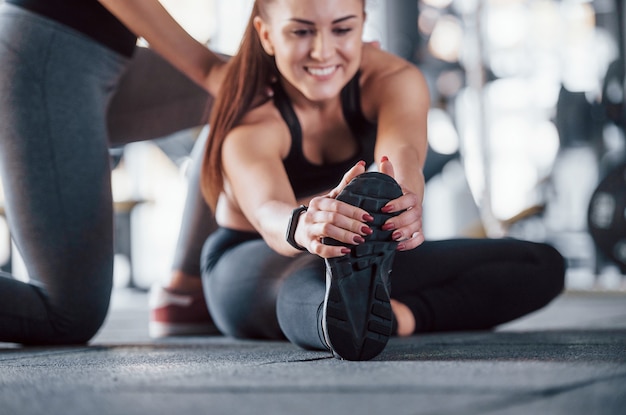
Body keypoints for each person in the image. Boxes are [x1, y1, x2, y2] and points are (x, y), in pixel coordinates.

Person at [199, 0, 566, 361]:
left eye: (342, 29)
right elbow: (268, 211)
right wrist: (304, 224)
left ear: (362, 23)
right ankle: (336, 322)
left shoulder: (393, 79)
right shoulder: (251, 121)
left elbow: (402, 152)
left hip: (358, 248)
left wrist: (404, 199)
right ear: (266, 34)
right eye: (300, 31)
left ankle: (395, 317)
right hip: (252, 260)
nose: (323, 51)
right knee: (305, 284)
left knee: (541, 264)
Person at [0, 0, 224, 344]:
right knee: (69, 312)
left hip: (101, 56)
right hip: (46, 52)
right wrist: (209, 70)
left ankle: (186, 290)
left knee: (257, 90)